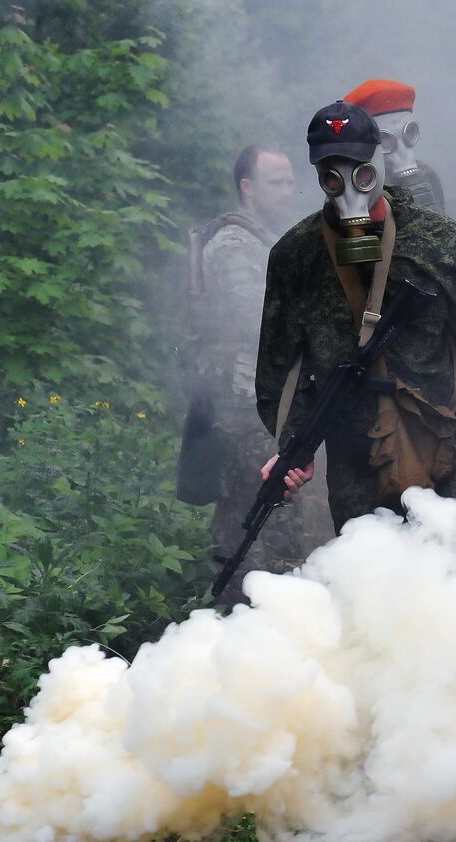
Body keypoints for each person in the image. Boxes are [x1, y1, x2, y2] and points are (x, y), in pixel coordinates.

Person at [255, 101, 456, 544]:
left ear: (378, 161)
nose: (347, 184)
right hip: (357, 451)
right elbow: (281, 368)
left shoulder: (437, 240)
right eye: (330, 172)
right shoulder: (297, 255)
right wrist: (294, 446)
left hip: (450, 437)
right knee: (372, 576)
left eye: (359, 169)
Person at [182, 144, 320, 601]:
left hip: (256, 394)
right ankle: (266, 604)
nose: (287, 190)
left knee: (244, 506)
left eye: (288, 181)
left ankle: (236, 604)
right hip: (246, 400)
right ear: (247, 187)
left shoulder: (265, 237)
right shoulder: (236, 243)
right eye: (275, 182)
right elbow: (256, 318)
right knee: (271, 506)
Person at [343, 79, 448, 214]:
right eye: (386, 138)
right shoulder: (357, 184)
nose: (402, 150)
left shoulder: (426, 175)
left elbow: (441, 225)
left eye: (408, 133)